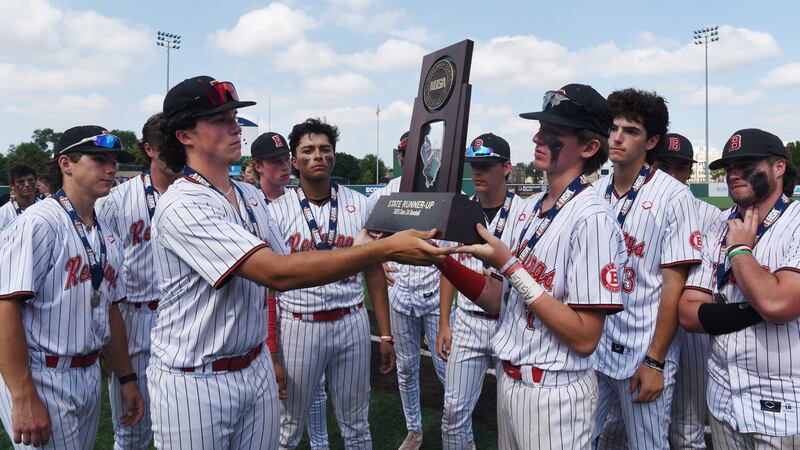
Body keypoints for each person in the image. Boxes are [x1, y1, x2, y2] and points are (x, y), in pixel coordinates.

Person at [149, 76, 444, 450]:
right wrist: (377, 251)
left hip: (253, 362)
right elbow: (276, 272)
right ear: (185, 136)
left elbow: (293, 259)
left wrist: (367, 244)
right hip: (196, 378)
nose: (234, 126)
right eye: (220, 119)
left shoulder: (248, 196)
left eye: (234, 117)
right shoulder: (183, 204)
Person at [446, 83, 627, 449]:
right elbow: (498, 300)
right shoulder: (528, 207)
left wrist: (511, 266)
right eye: (541, 128)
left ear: (590, 147)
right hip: (510, 382)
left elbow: (584, 337)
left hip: (556, 393)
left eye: (553, 132)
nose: (537, 136)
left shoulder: (592, 218)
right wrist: (440, 262)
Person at [0, 125, 144, 448]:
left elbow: (110, 311)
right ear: (66, 164)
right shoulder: (39, 223)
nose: (111, 168)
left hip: (89, 371)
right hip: (41, 372)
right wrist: (22, 395)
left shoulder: (107, 233)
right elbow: (5, 307)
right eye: (99, 159)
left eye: (114, 161)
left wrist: (127, 377)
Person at [266, 118, 395, 449]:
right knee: (288, 424)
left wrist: (385, 333)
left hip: (351, 320)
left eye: (325, 149)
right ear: (294, 161)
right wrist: (273, 350)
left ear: (334, 155)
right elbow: (266, 288)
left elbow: (374, 271)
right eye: (307, 150)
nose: (317, 155)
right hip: (299, 324)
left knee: (356, 425)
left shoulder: (359, 204)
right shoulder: (277, 211)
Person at [592, 88, 701, 450]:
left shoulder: (674, 196)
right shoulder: (595, 192)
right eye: (613, 128)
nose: (618, 137)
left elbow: (673, 288)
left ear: (652, 140)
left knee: (647, 445)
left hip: (644, 352)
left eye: (631, 131)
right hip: (597, 346)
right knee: (587, 440)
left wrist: (655, 361)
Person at [679, 128, 800, 449]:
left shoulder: (796, 222)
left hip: (784, 408)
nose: (733, 173)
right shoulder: (721, 223)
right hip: (722, 401)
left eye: (746, 164)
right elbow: (689, 312)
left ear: (778, 167)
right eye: (729, 167)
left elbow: (779, 305)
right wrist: (756, 308)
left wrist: (740, 251)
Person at [437, 132, 531, 450]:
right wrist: (444, 323)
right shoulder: (460, 209)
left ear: (506, 167)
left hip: (511, 322)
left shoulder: (527, 214)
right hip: (467, 321)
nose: (477, 172)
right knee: (453, 412)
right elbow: (450, 268)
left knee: (513, 418)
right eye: (474, 164)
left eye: (486, 165)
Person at [95, 113, 181, 449]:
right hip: (134, 315)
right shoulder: (116, 200)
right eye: (166, 148)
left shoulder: (197, 196)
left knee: (181, 425)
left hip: (184, 317)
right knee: (132, 430)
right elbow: (101, 271)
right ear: (149, 150)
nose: (175, 154)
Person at [365, 131, 448, 450]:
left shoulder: (442, 192)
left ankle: (458, 431)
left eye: (418, 152)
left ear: (428, 156)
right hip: (399, 294)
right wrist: (376, 255)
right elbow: (363, 234)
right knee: (407, 368)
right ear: (400, 157)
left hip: (433, 294)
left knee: (445, 369)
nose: (410, 158)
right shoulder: (384, 195)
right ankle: (414, 430)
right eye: (405, 153)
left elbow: (451, 249)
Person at [251, 130, 330, 450]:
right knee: (282, 400)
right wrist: (271, 346)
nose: (284, 166)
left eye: (286, 159)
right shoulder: (251, 204)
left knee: (317, 390)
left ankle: (321, 443)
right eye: (274, 161)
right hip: (271, 316)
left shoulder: (300, 199)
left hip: (310, 313)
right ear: (258, 166)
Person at [651, 133, 721, 449]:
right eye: (664, 165)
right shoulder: (639, 209)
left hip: (691, 327)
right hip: (648, 322)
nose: (672, 175)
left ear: (689, 172)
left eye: (680, 168)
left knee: (687, 426)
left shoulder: (710, 215)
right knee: (633, 419)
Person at [0, 164, 39, 231]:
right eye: (21, 181)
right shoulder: (3, 214)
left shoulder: (48, 208)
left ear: (36, 182)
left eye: (30, 180)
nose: (27, 184)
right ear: (12, 186)